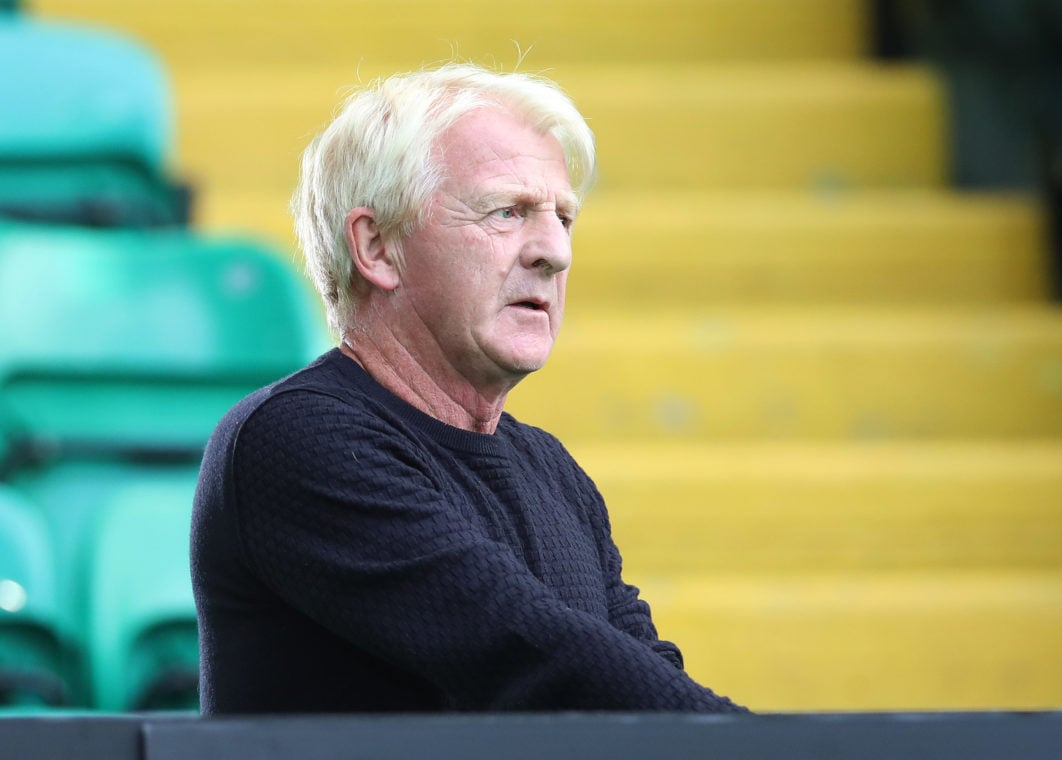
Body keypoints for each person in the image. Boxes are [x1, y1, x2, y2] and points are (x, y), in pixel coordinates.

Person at [191, 63, 744, 714]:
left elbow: (642, 677)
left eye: (563, 218)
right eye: (507, 212)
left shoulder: (555, 472)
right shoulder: (296, 440)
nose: (554, 252)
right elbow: (537, 657)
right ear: (377, 248)